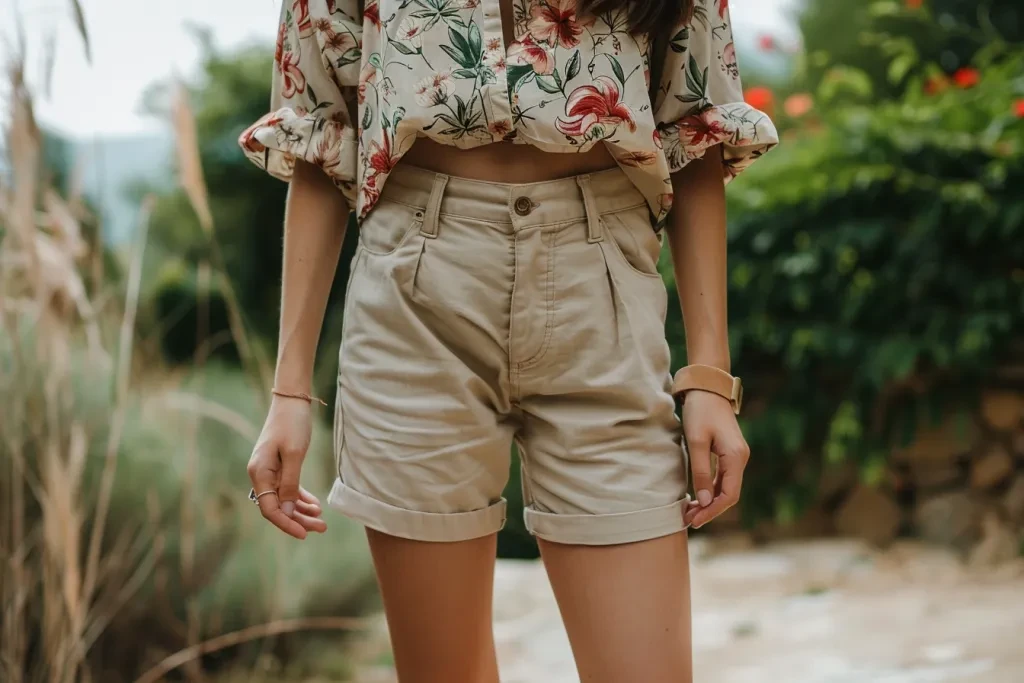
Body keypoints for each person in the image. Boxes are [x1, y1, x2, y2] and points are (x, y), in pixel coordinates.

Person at [241, 0, 776, 680]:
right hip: (417, 293)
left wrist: (708, 375)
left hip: (600, 285)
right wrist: (289, 390)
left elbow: (694, 129)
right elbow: (323, 132)